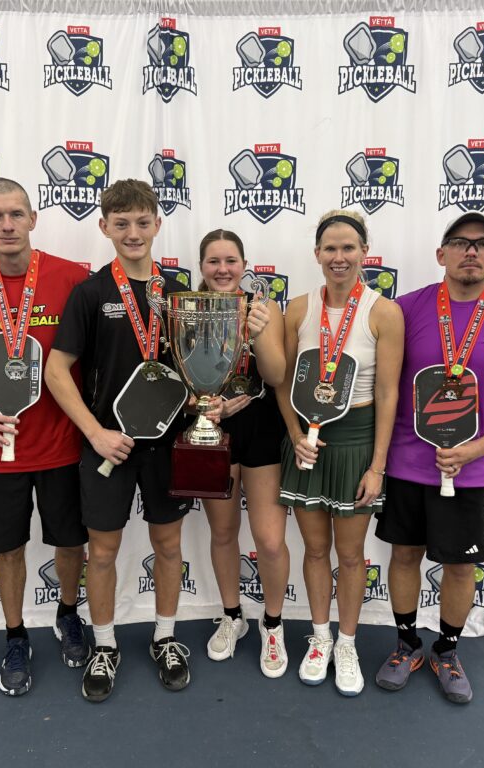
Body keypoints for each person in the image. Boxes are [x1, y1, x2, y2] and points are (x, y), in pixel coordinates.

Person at [375, 211, 484, 704]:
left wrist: (474, 449)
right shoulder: (403, 311)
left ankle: (446, 649)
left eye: (482, 243)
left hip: (470, 473)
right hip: (407, 465)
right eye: (459, 242)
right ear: (441, 255)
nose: (470, 251)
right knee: (404, 555)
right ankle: (406, 643)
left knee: (457, 567)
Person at [46, 179, 203, 702]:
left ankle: (165, 637)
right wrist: (95, 433)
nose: (132, 233)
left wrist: (212, 399)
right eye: (121, 224)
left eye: (142, 222)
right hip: (108, 446)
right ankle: (105, 644)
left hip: (168, 443)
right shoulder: (91, 293)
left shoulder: (179, 290)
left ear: (158, 224)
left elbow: (198, 366)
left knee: (168, 545)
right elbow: (56, 370)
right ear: (105, 228)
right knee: (104, 550)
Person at [0, 178, 91, 697]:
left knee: (70, 540)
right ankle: (14, 635)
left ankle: (69, 614)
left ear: (33, 219)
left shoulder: (72, 280)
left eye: (15, 214)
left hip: (64, 446)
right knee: (7, 549)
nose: (6, 225)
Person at [276, 209, 403, 696]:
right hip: (308, 443)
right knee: (313, 550)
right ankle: (320, 638)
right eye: (330, 248)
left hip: (356, 443)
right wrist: (293, 435)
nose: (339, 256)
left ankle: (347, 643)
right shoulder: (299, 308)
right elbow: (285, 381)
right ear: (317, 255)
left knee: (350, 556)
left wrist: (377, 465)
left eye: (348, 247)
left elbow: (389, 394)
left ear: (363, 253)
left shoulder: (383, 312)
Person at [196, 230, 291, 678]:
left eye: (231, 260)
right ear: (202, 267)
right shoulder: (187, 309)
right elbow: (180, 377)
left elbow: (275, 375)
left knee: (270, 540)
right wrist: (206, 406)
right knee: (223, 532)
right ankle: (232, 615)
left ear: (244, 264)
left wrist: (257, 334)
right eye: (213, 261)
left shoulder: (262, 308)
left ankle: (273, 624)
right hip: (212, 430)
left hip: (261, 432)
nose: (222, 269)